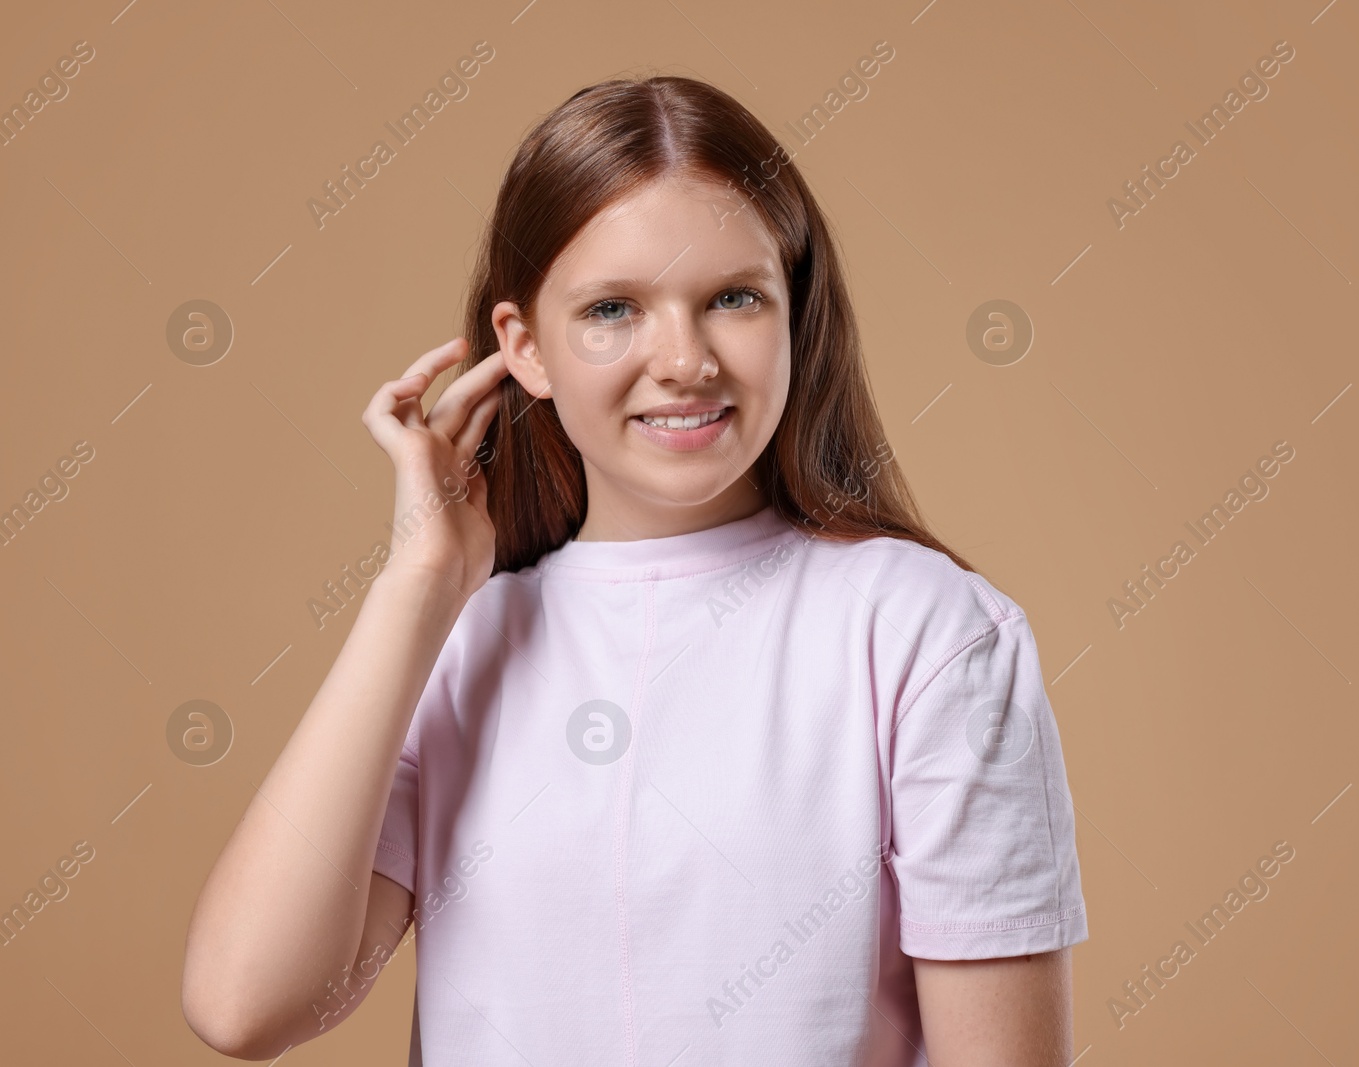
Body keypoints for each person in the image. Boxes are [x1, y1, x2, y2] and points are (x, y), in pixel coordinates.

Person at [181, 74, 1088, 1066]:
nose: (684, 359)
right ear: (524, 348)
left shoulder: (925, 630)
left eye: (732, 297)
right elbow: (244, 1003)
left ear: (794, 311)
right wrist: (418, 581)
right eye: (613, 308)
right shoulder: (463, 641)